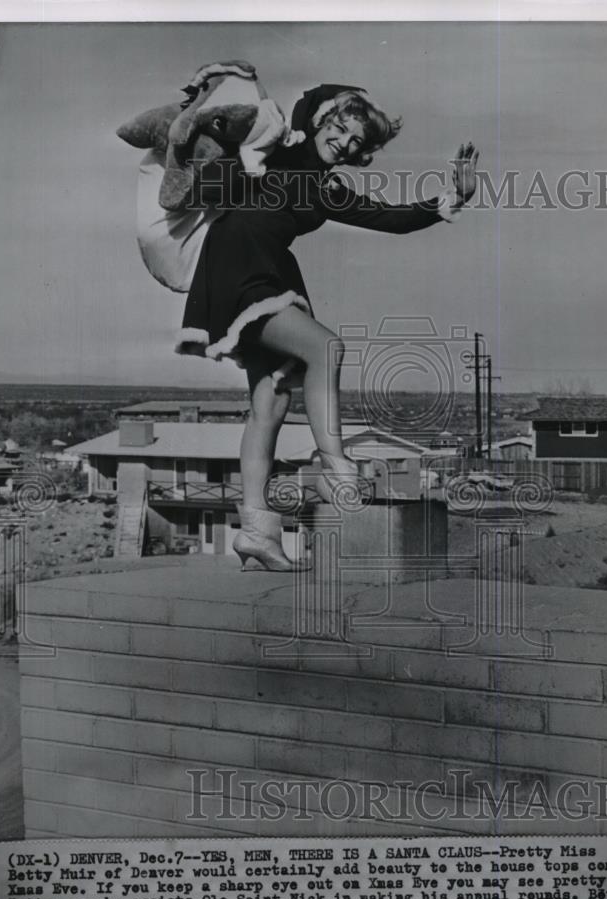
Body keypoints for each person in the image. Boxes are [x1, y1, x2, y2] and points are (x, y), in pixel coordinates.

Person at [174, 83, 480, 571]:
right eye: (339, 128)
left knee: (269, 405)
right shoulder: (284, 145)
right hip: (236, 267)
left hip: (267, 273)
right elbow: (304, 98)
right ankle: (336, 463)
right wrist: (351, 95)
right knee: (327, 348)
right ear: (322, 121)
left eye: (357, 142)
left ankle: (256, 531)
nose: (344, 143)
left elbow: (390, 217)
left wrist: (451, 198)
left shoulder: (329, 189)